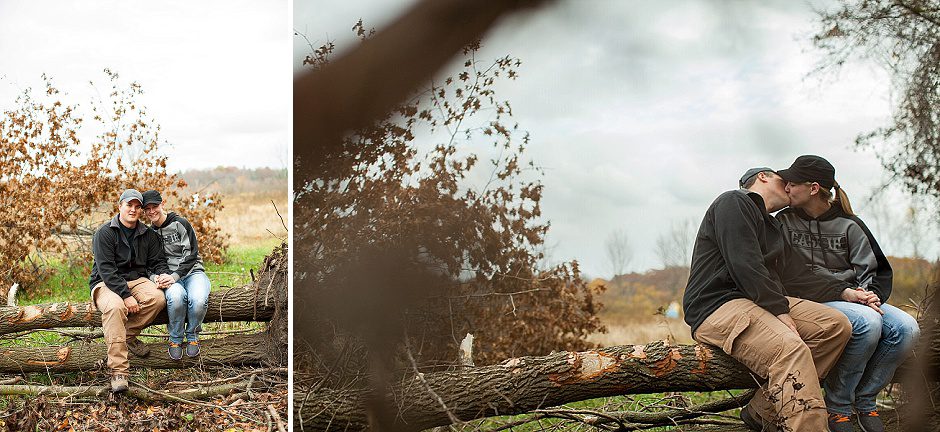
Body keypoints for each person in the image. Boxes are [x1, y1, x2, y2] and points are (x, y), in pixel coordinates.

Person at [683, 167, 879, 431]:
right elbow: (745, 264)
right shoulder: (734, 202)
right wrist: (780, 311)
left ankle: (762, 412)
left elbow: (797, 275)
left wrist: (845, 292)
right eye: (782, 180)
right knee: (790, 349)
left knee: (836, 326)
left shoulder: (773, 226)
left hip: (758, 302)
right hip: (719, 305)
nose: (789, 186)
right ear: (763, 176)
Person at [777, 155, 920, 432]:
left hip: (855, 297)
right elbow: (788, 273)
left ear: (813, 188)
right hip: (813, 299)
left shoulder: (850, 224)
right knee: (868, 323)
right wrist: (852, 297)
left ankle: (866, 400)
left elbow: (877, 270)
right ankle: (839, 407)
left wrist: (871, 296)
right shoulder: (783, 222)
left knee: (907, 329)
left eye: (792, 183)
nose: (787, 188)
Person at [89, 189, 173, 393]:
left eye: (137, 207)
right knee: (116, 307)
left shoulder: (147, 234)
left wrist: (163, 275)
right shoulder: (105, 233)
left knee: (157, 299)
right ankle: (119, 372)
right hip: (105, 282)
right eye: (129, 205)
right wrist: (126, 296)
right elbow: (106, 270)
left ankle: (124, 335)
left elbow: (158, 261)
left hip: (136, 280)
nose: (133, 210)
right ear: (120, 206)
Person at [142, 190, 211, 360]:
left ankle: (193, 335)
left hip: (193, 272)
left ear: (162, 204)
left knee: (199, 300)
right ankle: (175, 339)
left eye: (155, 206)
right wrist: (155, 278)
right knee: (177, 298)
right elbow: (148, 264)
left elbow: (191, 254)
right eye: (147, 208)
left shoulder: (181, 223)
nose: (152, 211)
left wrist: (175, 276)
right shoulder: (149, 235)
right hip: (169, 278)